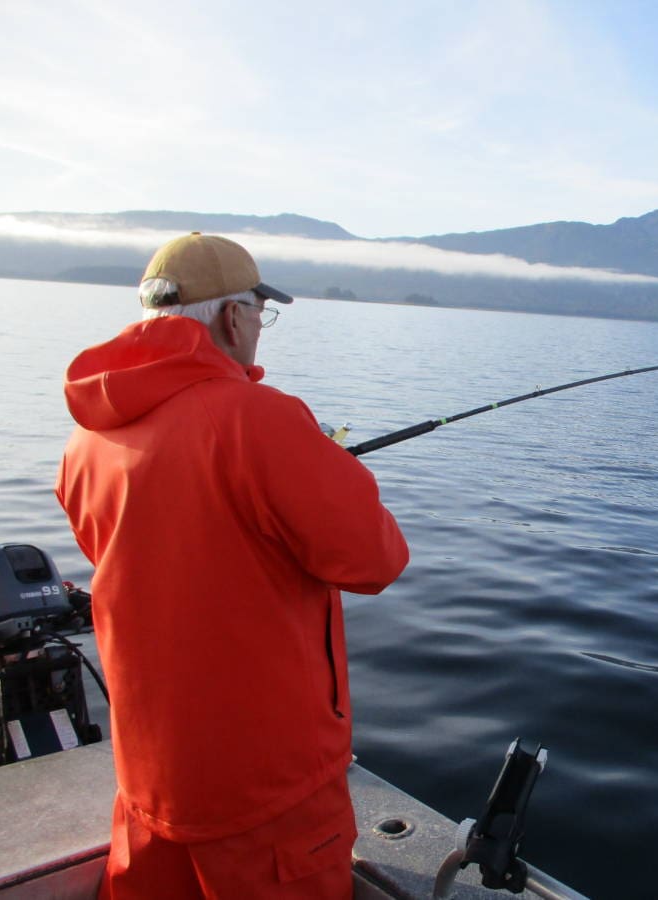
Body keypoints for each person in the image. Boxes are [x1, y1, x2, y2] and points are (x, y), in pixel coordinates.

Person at [56, 233, 409, 898]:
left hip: (151, 780)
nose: (258, 331)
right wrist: (330, 470)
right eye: (259, 313)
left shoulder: (87, 438)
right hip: (267, 796)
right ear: (231, 316)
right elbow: (376, 559)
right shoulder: (261, 420)